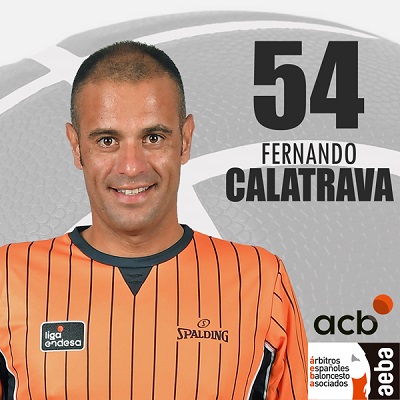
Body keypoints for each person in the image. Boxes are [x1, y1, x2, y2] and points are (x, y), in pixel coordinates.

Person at [0, 41, 307, 399]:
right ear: (76, 146)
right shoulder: (7, 277)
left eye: (153, 137)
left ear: (186, 140)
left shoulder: (261, 279)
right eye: (107, 140)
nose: (131, 166)